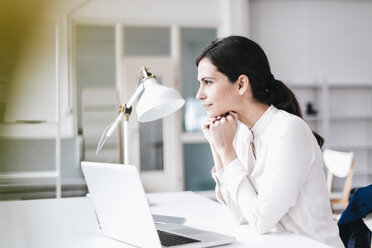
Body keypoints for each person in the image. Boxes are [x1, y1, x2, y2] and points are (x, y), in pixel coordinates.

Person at [195, 36, 344, 248]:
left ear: (241, 84)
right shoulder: (247, 133)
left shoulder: (287, 130)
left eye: (207, 82)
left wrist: (226, 150)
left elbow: (260, 220)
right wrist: (217, 145)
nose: (199, 94)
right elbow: (239, 214)